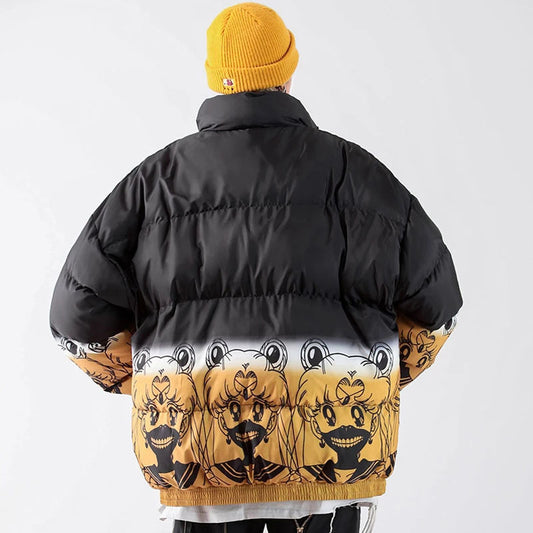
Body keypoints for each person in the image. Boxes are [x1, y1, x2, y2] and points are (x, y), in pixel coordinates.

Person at [48, 2, 463, 532]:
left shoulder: (152, 184)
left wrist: (159, 385)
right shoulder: (361, 177)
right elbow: (438, 311)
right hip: (332, 469)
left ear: (214, 78)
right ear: (287, 72)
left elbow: (75, 321)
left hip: (197, 466)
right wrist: (364, 374)